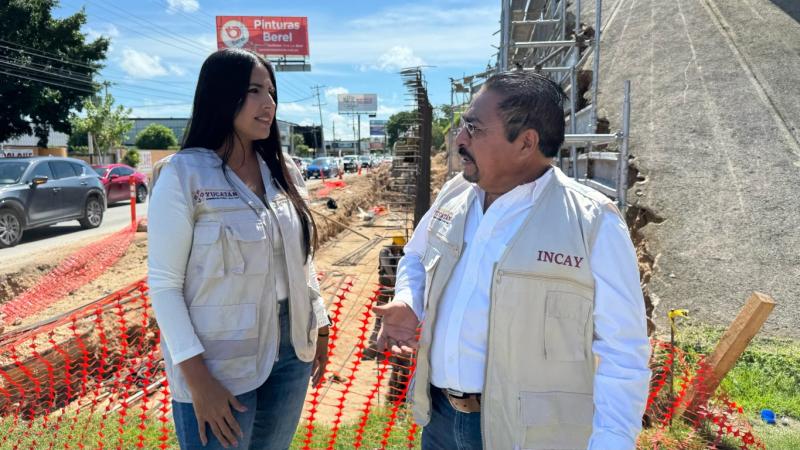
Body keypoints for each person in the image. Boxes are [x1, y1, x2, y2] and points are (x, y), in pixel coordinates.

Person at [374, 71, 651, 450]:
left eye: (474, 128)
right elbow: (417, 255)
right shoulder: (456, 195)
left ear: (526, 142)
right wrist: (409, 299)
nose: (459, 139)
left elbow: (623, 352)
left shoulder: (592, 223)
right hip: (439, 422)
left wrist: (612, 443)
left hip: (529, 437)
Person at [147, 48, 330, 450]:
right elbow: (163, 285)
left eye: (271, 91)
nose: (269, 103)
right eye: (254, 91)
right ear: (221, 95)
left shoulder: (284, 170)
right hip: (217, 362)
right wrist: (199, 381)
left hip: (291, 350)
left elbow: (301, 261)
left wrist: (319, 321)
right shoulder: (183, 174)